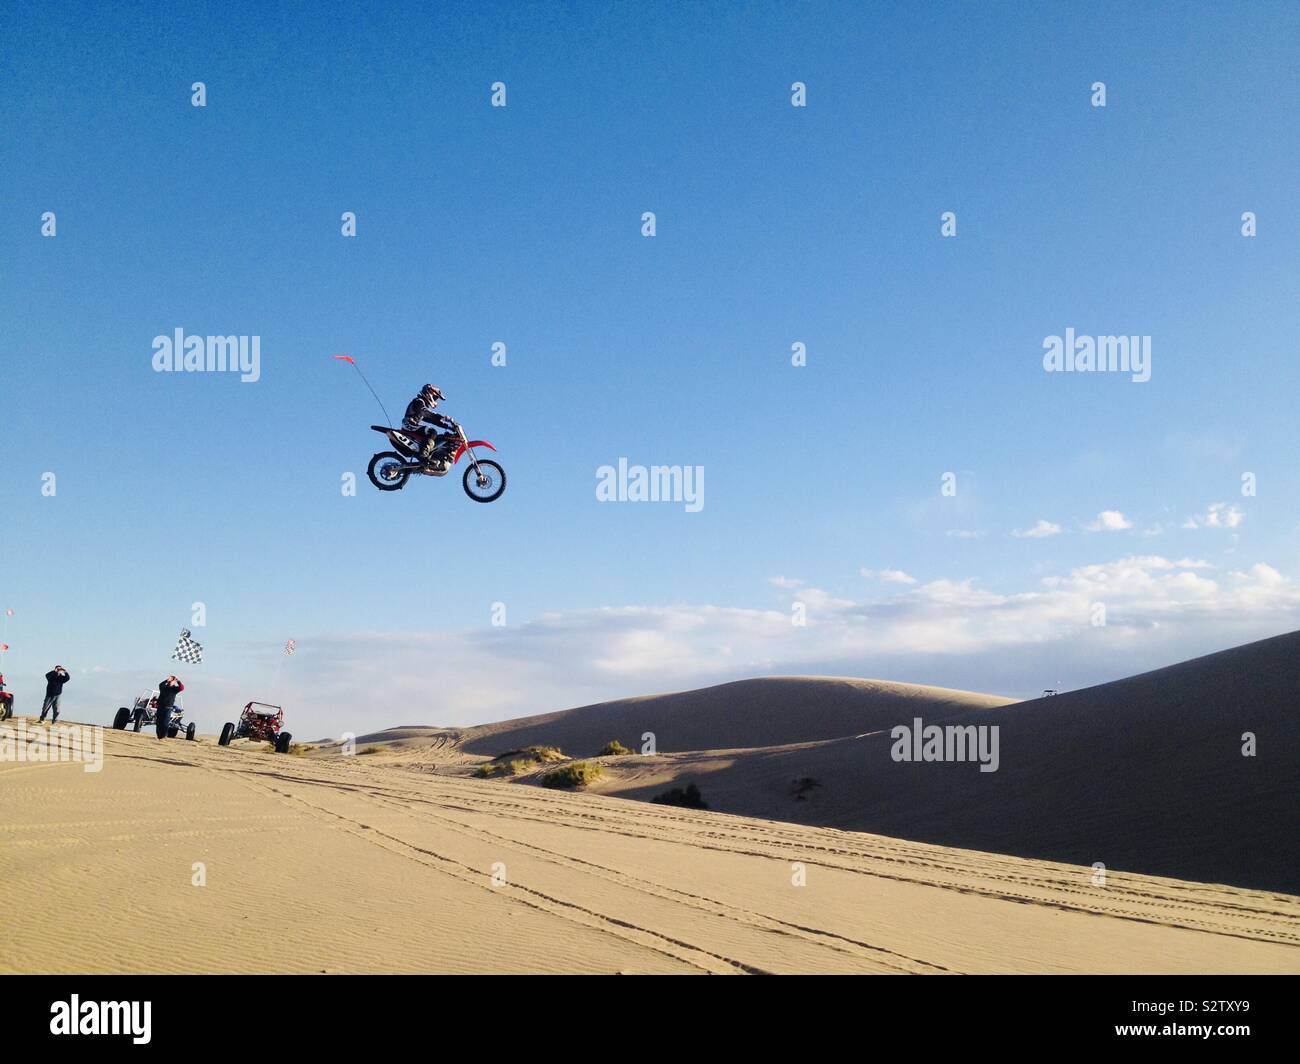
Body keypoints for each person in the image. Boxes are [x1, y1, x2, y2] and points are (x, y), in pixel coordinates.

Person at [402, 384, 459, 464]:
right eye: (435, 398)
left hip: (412, 425)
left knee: (440, 438)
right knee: (432, 432)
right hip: (408, 424)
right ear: (429, 394)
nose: (435, 400)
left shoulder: (422, 403)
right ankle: (423, 455)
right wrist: (442, 417)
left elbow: (431, 419)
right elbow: (426, 413)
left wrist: (448, 427)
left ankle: (434, 456)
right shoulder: (418, 401)